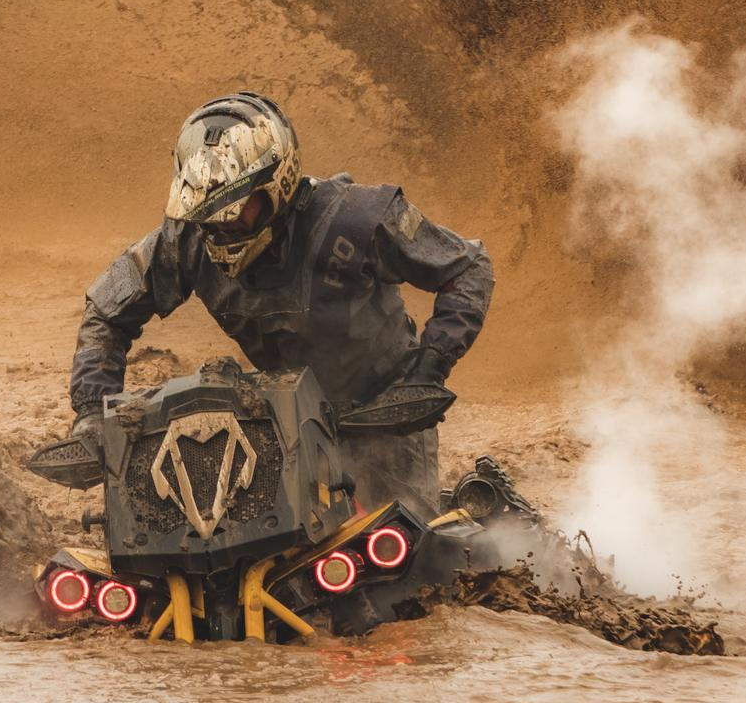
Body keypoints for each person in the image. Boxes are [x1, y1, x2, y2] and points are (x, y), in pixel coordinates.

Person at [67, 92, 493, 511]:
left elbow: (467, 267)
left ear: (278, 184)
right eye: (207, 213)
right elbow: (106, 311)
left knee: (406, 557)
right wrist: (91, 411)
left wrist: (430, 367)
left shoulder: (360, 219)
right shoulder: (187, 239)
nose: (221, 225)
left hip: (385, 420)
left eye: (234, 210)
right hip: (280, 421)